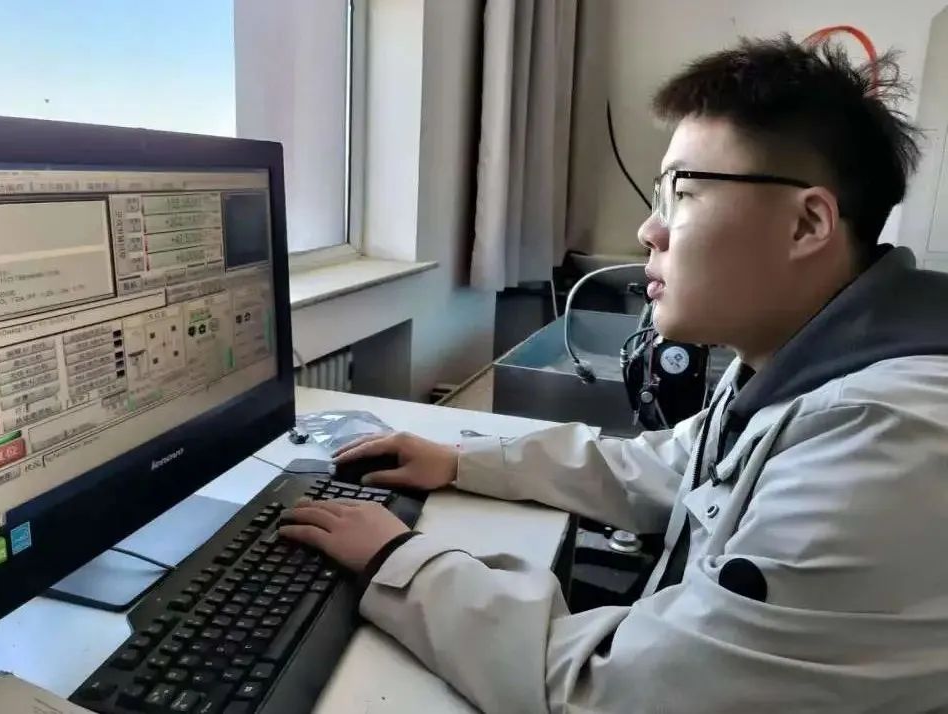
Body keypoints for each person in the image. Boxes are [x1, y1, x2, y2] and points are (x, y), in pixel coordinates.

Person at [279, 36, 948, 713]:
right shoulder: (795, 363)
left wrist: (402, 564)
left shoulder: (886, 439)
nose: (649, 230)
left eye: (682, 192)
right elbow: (665, 467)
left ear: (807, 223)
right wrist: (459, 461)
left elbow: (618, 694)